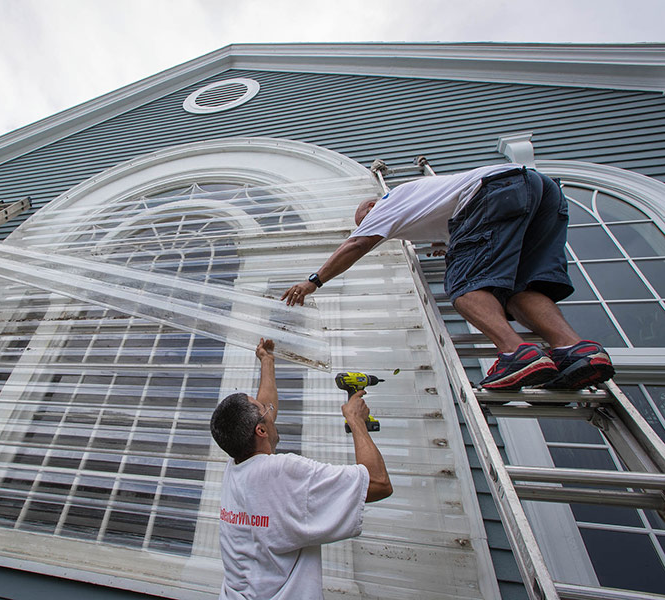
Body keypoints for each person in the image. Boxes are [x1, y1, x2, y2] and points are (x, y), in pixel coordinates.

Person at [281, 164, 614, 391]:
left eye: (363, 218)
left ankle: (518, 355)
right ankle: (575, 349)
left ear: (370, 205)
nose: (366, 225)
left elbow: (356, 244)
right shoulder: (426, 198)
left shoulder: (386, 203)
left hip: (496, 192)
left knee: (466, 286)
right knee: (519, 290)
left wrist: (314, 281)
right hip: (539, 191)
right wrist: (452, 242)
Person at [210, 338, 392, 600]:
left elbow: (264, 408)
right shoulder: (284, 472)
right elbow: (378, 483)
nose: (270, 412)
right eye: (265, 413)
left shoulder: (236, 465)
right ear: (260, 430)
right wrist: (356, 421)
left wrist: (267, 361)